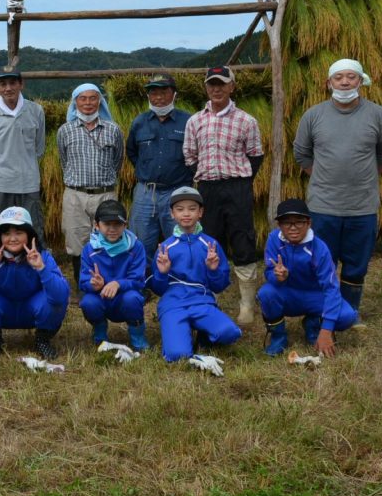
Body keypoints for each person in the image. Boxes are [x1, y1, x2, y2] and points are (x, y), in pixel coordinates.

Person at [293, 58, 382, 319]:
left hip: (362, 206)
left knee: (355, 266)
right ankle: (319, 312)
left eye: (351, 77)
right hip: (322, 206)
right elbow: (302, 154)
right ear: (329, 82)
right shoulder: (313, 115)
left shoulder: (378, 115)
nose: (345, 82)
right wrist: (324, 176)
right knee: (321, 262)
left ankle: (349, 313)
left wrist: (364, 176)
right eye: (339, 77)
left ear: (361, 81)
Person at [182, 66, 264, 325]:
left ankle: (247, 305)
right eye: (212, 84)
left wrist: (238, 178)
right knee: (209, 241)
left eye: (222, 84)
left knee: (242, 239)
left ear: (232, 86)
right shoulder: (195, 120)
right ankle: (209, 300)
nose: (216, 89)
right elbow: (189, 155)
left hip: (237, 187)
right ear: (206, 88)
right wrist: (206, 174)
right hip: (207, 189)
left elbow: (255, 155)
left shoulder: (246, 120)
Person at [151, 187, 242, 365]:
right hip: (174, 304)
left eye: (192, 209)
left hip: (201, 302)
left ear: (200, 212)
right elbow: (158, 289)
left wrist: (213, 269)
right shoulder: (165, 248)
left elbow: (219, 286)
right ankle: (180, 334)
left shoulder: (210, 244)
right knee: (178, 356)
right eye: (180, 209)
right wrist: (162, 273)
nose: (186, 214)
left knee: (230, 333)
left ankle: (204, 335)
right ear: (172, 214)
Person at [258, 198, 359, 357]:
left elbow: (331, 288)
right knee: (266, 293)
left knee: (347, 316)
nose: (293, 228)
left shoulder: (319, 248)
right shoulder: (273, 239)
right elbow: (269, 272)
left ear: (309, 223)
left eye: (299, 222)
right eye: (287, 223)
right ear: (279, 225)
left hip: (314, 296)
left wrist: (327, 330)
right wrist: (278, 276)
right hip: (288, 294)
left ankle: (314, 325)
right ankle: (278, 337)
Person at [0, 207, 69, 360]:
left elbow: (62, 296)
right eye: (7, 233)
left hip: (32, 309)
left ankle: (42, 340)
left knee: (54, 297)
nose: (13, 238)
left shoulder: (43, 257)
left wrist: (41, 269)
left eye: (19, 233)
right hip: (3, 309)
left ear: (30, 236)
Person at [57, 83, 124, 285]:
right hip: (75, 194)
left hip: (105, 194)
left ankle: (107, 281)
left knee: (108, 237)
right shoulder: (65, 131)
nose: (87, 103)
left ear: (100, 101)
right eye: (82, 98)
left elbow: (117, 161)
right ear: (75, 102)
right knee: (76, 238)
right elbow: (64, 161)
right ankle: (81, 282)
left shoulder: (113, 130)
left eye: (93, 98)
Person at [126, 73, 194, 272]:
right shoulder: (139, 122)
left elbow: (195, 153)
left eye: (164, 91)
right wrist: (146, 171)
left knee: (179, 237)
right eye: (153, 92)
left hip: (178, 190)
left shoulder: (188, 121)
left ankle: (179, 279)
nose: (158, 97)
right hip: (145, 191)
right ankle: (144, 281)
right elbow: (132, 152)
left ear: (174, 94)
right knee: (141, 239)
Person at [0, 68, 47, 245]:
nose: (8, 88)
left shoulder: (36, 111)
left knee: (32, 230)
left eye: (13, 83)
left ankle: (34, 269)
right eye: (3, 84)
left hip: (28, 184)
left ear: (21, 84)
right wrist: (0, 167)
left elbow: (39, 148)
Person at [78, 200, 148, 351]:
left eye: (117, 224)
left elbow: (139, 281)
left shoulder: (136, 247)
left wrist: (118, 284)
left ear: (125, 225)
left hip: (125, 297)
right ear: (96, 225)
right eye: (106, 224)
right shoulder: (89, 249)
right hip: (100, 297)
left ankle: (138, 337)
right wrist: (93, 284)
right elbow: (82, 281)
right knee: (88, 302)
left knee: (133, 298)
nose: (112, 229)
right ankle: (100, 332)